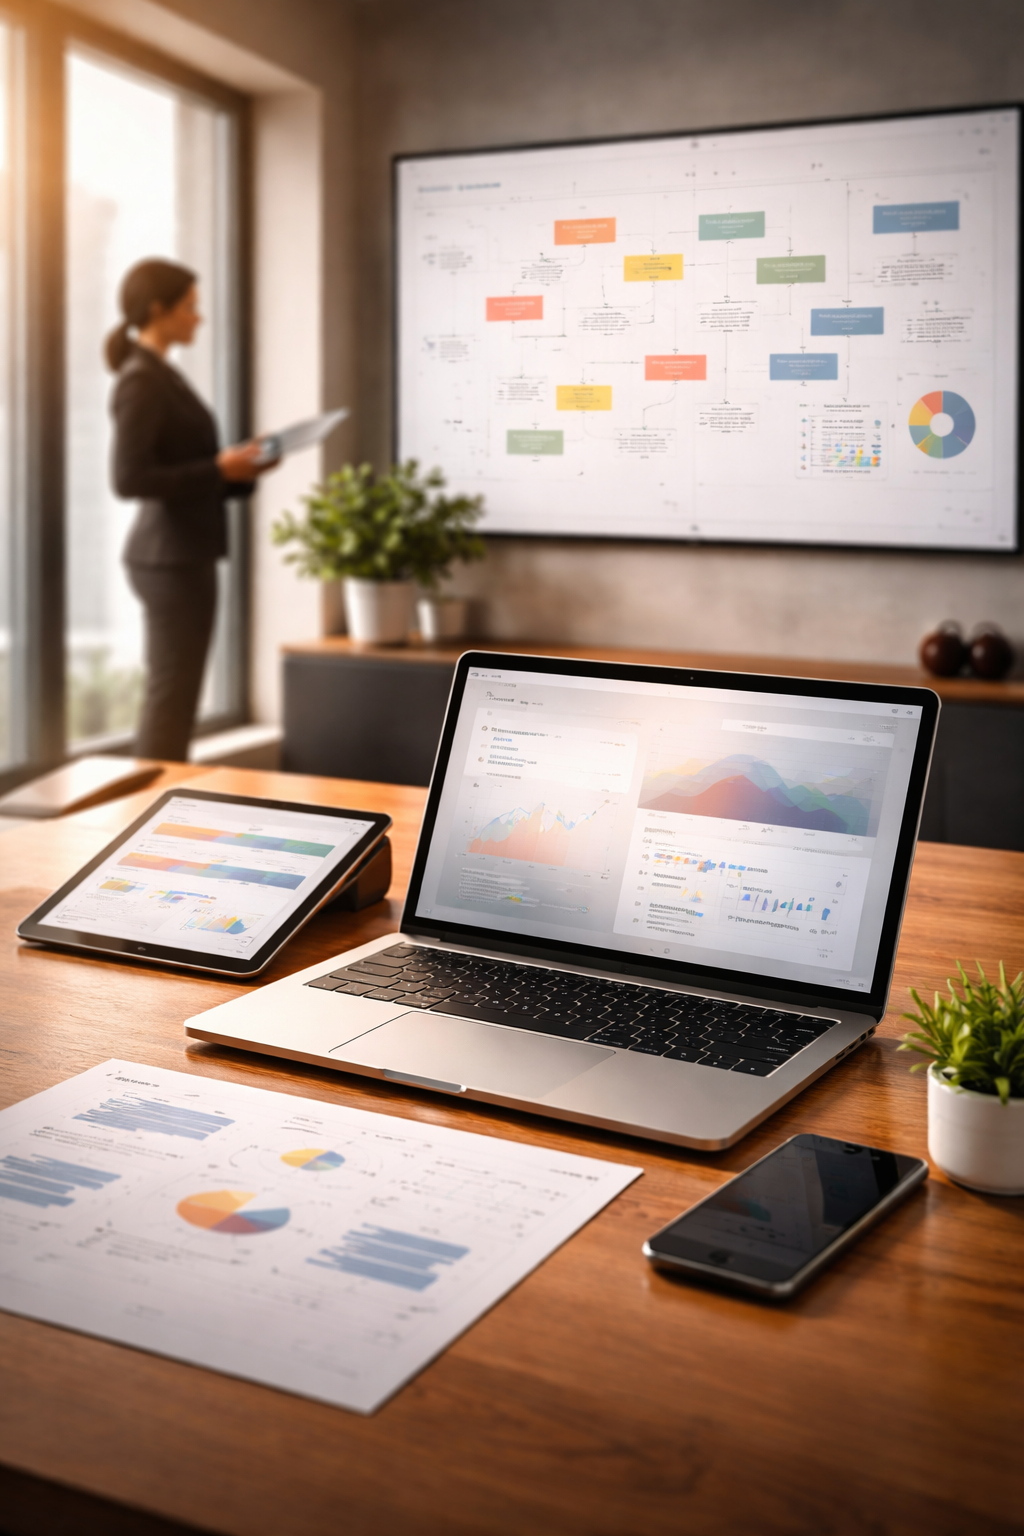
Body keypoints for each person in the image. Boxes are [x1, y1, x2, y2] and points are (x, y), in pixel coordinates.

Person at [106, 258, 276, 761]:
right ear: (159, 310)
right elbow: (129, 479)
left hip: (186, 554)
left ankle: (159, 814)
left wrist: (238, 472)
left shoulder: (163, 374)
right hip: (168, 559)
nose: (199, 318)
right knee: (171, 701)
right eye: (190, 308)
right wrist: (219, 470)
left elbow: (190, 469)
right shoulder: (141, 379)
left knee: (178, 701)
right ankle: (144, 821)